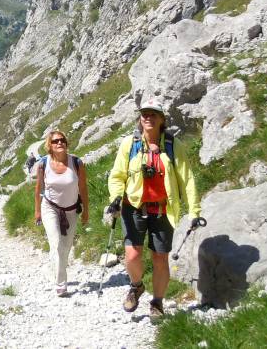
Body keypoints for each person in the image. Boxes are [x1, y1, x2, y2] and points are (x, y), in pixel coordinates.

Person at [105, 98, 201, 319]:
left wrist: (194, 211)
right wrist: (116, 198)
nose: (147, 117)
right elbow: (117, 175)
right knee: (131, 255)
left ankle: (157, 302)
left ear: (161, 119)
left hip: (162, 209)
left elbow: (187, 180)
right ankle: (137, 286)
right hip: (133, 206)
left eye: (153, 114)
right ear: (140, 118)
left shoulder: (172, 145)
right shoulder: (130, 144)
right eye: (144, 114)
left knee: (160, 258)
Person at [34, 130, 89, 297]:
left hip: (71, 210)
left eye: (62, 140)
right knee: (57, 243)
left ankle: (58, 268)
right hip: (50, 207)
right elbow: (38, 190)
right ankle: (61, 284)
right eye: (55, 141)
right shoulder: (43, 164)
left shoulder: (77, 163)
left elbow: (83, 188)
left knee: (66, 247)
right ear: (49, 146)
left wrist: (86, 210)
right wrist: (37, 212)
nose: (60, 143)